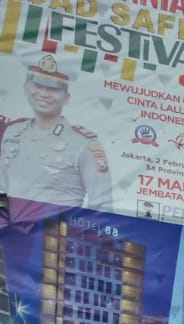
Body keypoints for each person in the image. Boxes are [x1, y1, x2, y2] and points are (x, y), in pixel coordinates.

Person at [1, 56, 112, 220]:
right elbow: (2, 188)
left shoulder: (85, 144)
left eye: (53, 89)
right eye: (37, 85)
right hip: (11, 229)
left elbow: (102, 205)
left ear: (67, 97)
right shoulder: (12, 132)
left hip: (54, 231)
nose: (44, 94)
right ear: (25, 88)